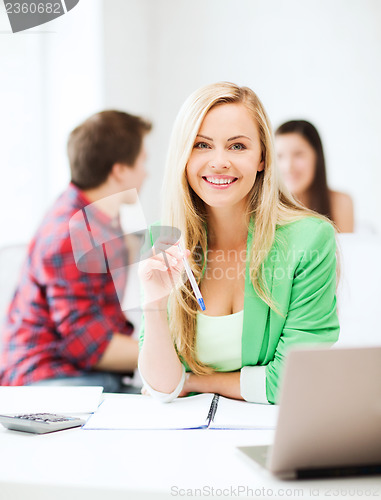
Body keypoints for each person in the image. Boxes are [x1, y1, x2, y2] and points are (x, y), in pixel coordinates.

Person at [138, 82, 340, 405]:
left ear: (262, 158)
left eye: (237, 147)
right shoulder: (161, 242)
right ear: (183, 156)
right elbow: (162, 388)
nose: (219, 162)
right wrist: (153, 304)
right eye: (202, 145)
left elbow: (291, 381)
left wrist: (195, 381)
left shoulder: (310, 240)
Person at [0, 110, 151, 392]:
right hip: (45, 378)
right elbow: (88, 346)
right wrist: (179, 358)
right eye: (143, 161)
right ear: (119, 170)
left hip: (75, 371)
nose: (147, 172)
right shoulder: (70, 235)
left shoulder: (95, 214)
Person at [275, 120, 354, 233]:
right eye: (279, 156)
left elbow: (345, 249)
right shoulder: (265, 207)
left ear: (317, 157)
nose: (288, 166)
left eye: (298, 154)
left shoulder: (340, 203)